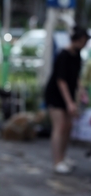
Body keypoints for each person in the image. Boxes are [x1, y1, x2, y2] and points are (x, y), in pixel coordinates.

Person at [45, 26, 89, 174]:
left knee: (68, 126)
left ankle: (63, 157)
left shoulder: (77, 55)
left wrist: (81, 92)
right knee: (60, 126)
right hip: (56, 95)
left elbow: (75, 77)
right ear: (78, 40)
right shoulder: (63, 54)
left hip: (68, 95)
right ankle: (56, 161)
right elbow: (61, 80)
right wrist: (69, 102)